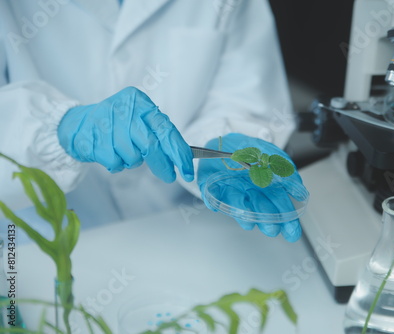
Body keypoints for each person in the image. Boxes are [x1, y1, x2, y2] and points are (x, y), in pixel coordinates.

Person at [0, 0, 302, 242]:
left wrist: (225, 138)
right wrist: (61, 128)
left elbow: (241, 94)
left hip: (179, 233)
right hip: (34, 249)